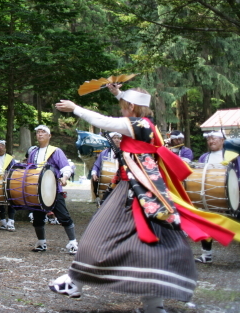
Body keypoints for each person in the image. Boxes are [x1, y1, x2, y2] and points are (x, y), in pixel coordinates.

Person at [52, 85, 240, 312]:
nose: (122, 111)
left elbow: (105, 121)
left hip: (133, 192)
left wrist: (75, 108)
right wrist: (118, 94)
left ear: (131, 107)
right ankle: (152, 304)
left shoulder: (137, 125)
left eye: (124, 106)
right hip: (148, 192)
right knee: (154, 247)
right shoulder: (148, 125)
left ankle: (74, 282)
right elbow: (127, 115)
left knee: (98, 235)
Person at [27, 125, 78, 254]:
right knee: (37, 218)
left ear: (49, 136)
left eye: (43, 132)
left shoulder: (56, 151)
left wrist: (65, 177)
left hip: (53, 189)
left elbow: (65, 167)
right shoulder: (33, 152)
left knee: (63, 216)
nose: (40, 134)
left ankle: (73, 243)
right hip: (37, 191)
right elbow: (29, 171)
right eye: (38, 132)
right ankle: (41, 243)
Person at [193, 130, 239, 264]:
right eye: (209, 139)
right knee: (204, 224)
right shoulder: (204, 157)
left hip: (232, 197)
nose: (211, 141)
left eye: (214, 138)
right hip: (209, 198)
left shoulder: (232, 156)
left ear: (222, 140)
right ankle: (206, 255)